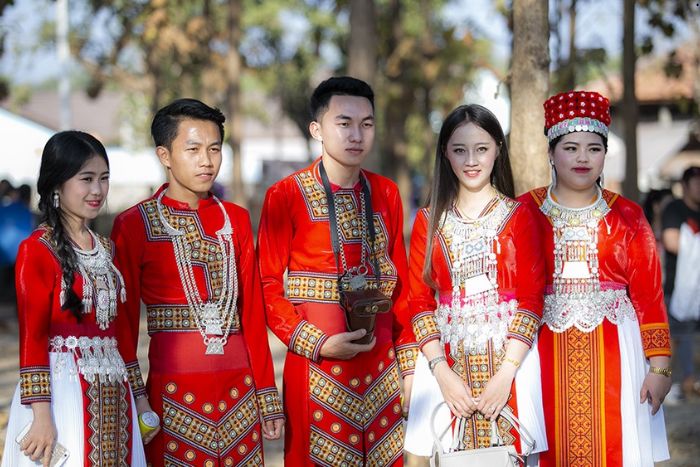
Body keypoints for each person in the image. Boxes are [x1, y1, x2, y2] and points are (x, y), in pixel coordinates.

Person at [111, 98, 284, 466]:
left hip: (241, 395)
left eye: (215, 149)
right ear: (165, 154)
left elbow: (252, 312)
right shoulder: (133, 224)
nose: (207, 160)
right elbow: (122, 326)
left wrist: (268, 397)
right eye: (193, 149)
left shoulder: (235, 219)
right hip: (172, 396)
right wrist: (137, 396)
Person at [257, 76, 418, 466]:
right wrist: (316, 343)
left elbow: (403, 288)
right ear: (317, 129)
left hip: (382, 372)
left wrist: (410, 368)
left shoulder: (386, 193)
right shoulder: (286, 195)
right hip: (317, 369)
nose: (357, 134)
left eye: (367, 123)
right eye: (344, 123)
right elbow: (266, 285)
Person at [520, 90, 672, 466]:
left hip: (617, 355)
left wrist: (661, 366)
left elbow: (649, 294)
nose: (583, 158)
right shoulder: (523, 212)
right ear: (551, 153)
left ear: (605, 153)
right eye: (570, 147)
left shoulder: (628, 216)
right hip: (541, 353)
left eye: (594, 147)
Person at [404, 104, 547, 462]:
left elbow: (531, 298)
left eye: (481, 148)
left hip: (513, 358)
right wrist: (443, 374)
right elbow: (419, 301)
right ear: (444, 154)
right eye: (459, 149)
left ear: (498, 148)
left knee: (515, 453)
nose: (471, 160)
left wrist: (505, 375)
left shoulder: (521, 215)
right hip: (444, 356)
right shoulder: (427, 221)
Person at [2, 130, 152, 467]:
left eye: (104, 178)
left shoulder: (108, 248)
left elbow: (122, 336)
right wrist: (41, 414)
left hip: (116, 392)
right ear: (57, 184)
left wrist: (140, 398)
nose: (97, 190)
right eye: (86, 179)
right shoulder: (37, 250)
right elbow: (33, 337)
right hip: (62, 394)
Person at [662, 166, 700, 400]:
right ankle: (663, 382)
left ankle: (689, 382)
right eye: (696, 183)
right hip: (677, 287)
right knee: (672, 339)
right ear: (685, 186)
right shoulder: (675, 209)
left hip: (698, 290)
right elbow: (671, 241)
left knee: (690, 340)